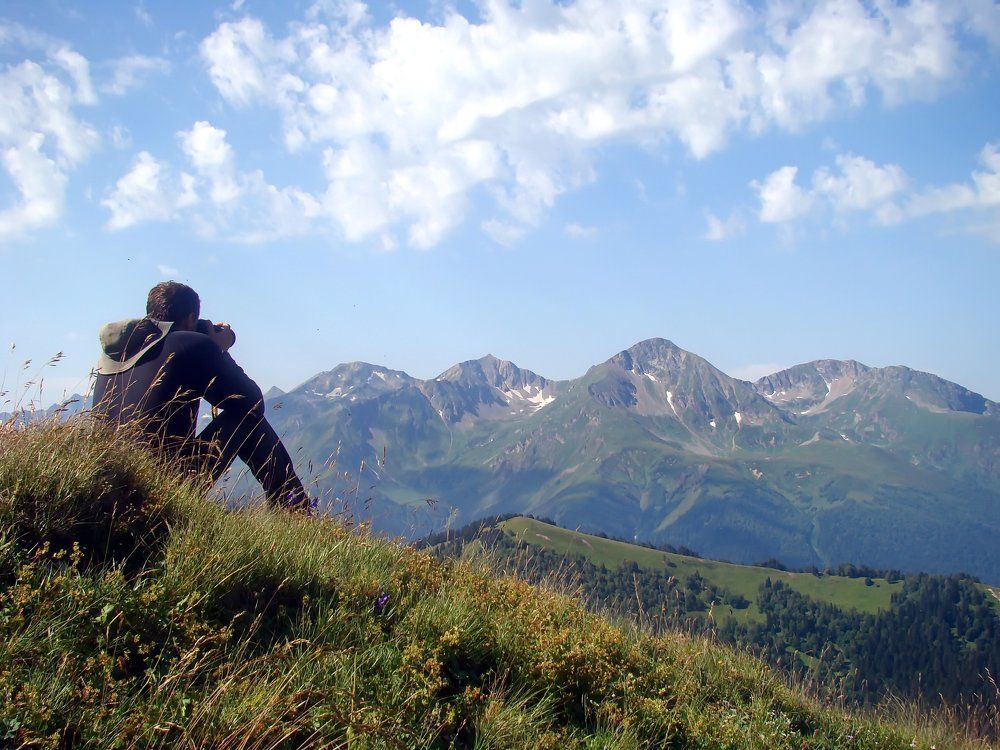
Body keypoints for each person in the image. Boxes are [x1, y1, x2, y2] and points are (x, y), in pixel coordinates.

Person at [92, 281, 312, 512]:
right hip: (163, 486)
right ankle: (297, 512)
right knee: (248, 418)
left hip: (109, 484)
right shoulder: (192, 345)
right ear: (190, 318)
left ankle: (296, 511)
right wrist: (218, 348)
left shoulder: (117, 352)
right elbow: (252, 402)